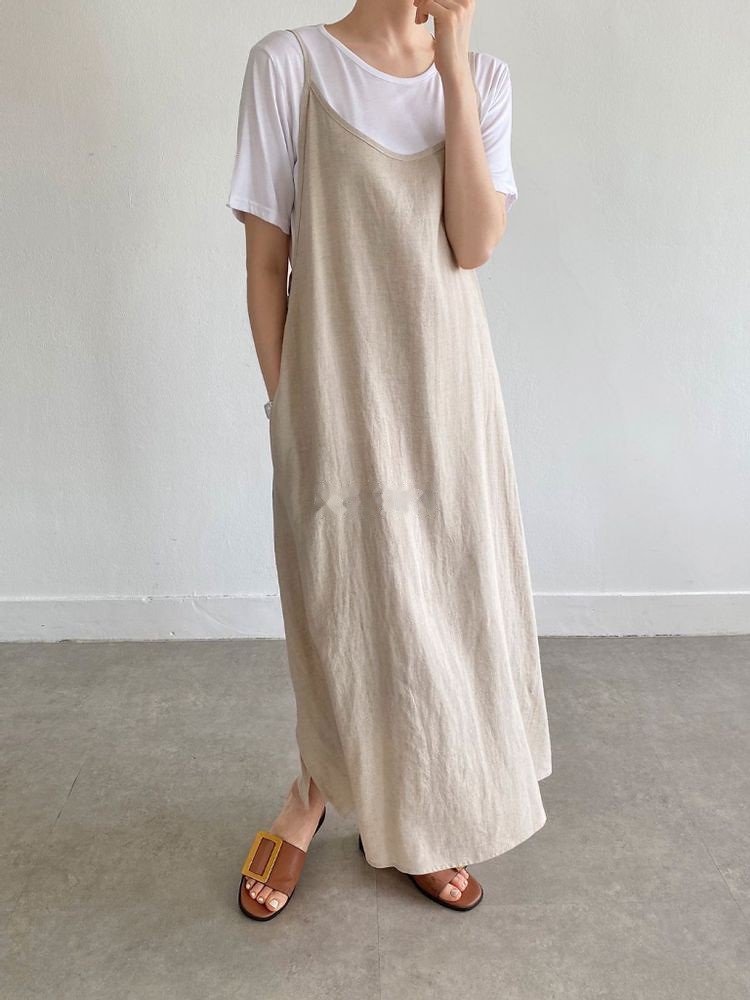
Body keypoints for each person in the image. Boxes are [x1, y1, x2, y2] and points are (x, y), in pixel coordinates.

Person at [226, 0, 551, 921]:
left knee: (440, 601)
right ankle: (312, 792)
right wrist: (289, 407)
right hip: (335, 394)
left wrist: (453, 67)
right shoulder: (290, 66)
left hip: (449, 398)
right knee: (338, 599)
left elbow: (473, 242)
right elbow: (265, 264)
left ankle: (422, 813)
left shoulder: (483, 80)